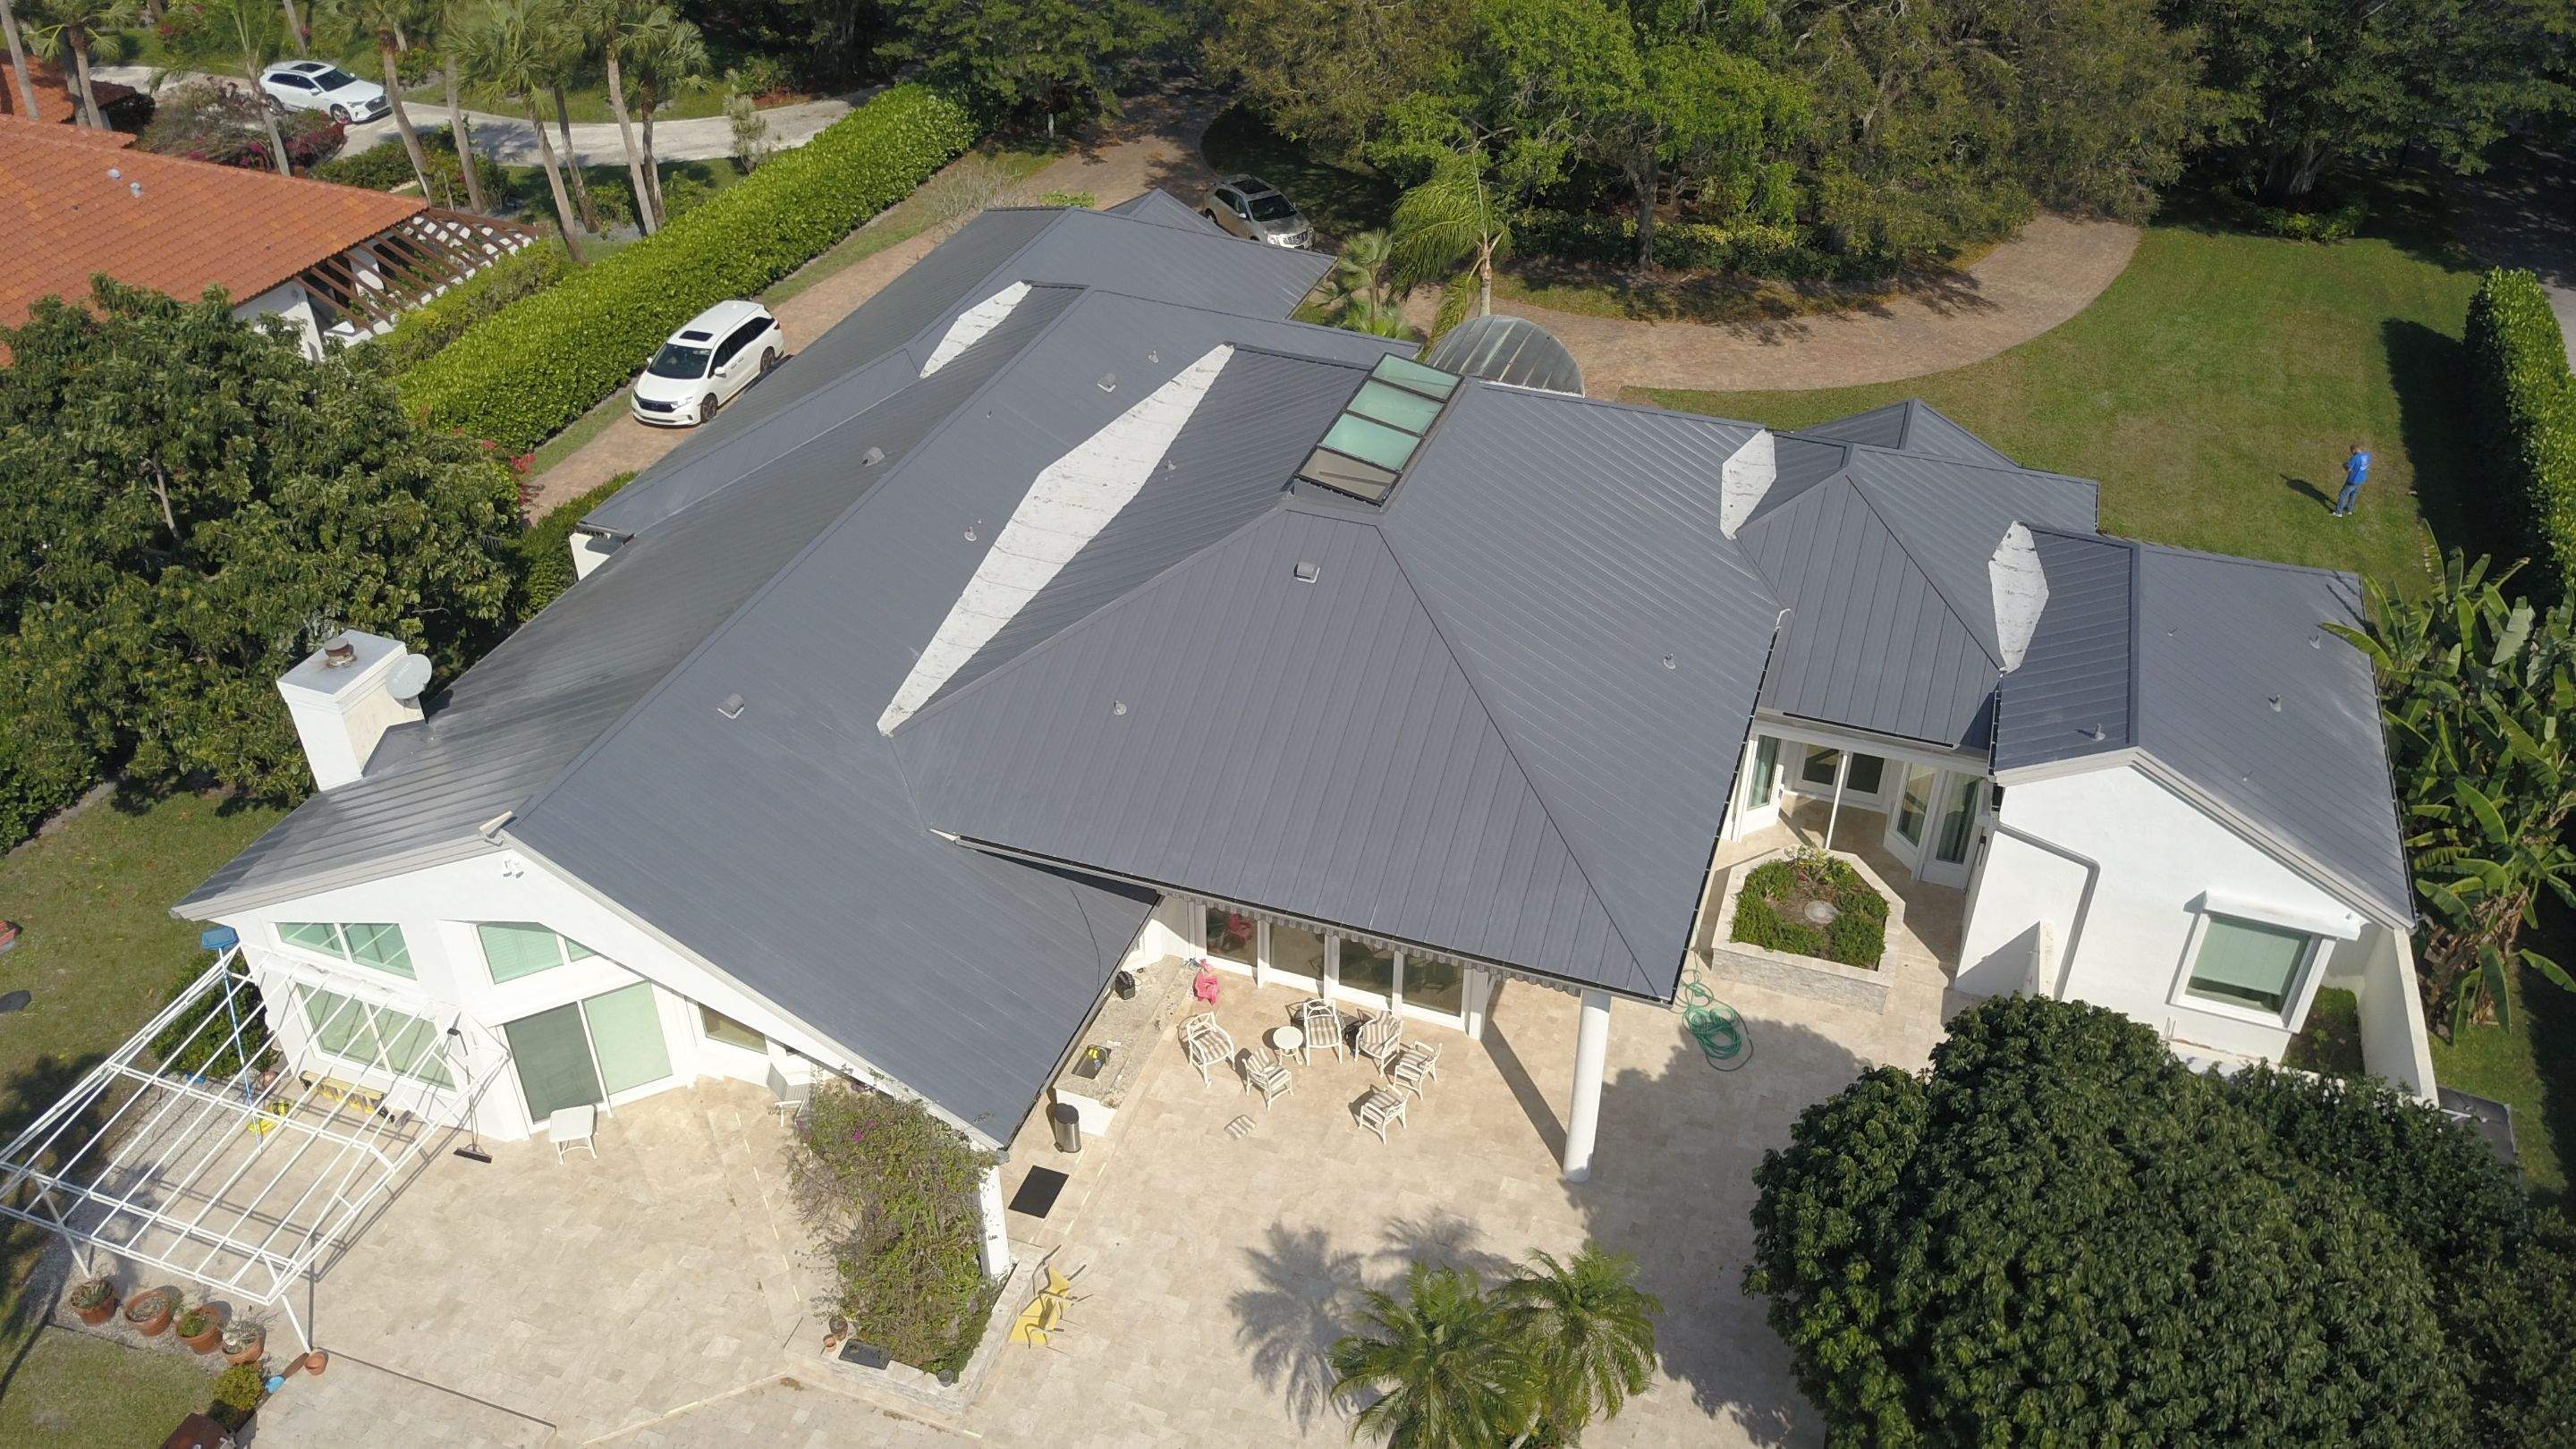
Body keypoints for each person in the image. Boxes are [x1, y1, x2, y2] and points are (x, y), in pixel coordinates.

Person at [2334, 443, 2371, 517]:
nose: (2351, 453)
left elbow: (2348, 469)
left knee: (2343, 494)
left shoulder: (2355, 458)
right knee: (2353, 494)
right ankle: (2349, 510)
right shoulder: (2367, 455)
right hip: (2362, 479)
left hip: (2353, 480)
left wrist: (2344, 465)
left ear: (2354, 450)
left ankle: (2338, 512)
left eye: (2351, 451)